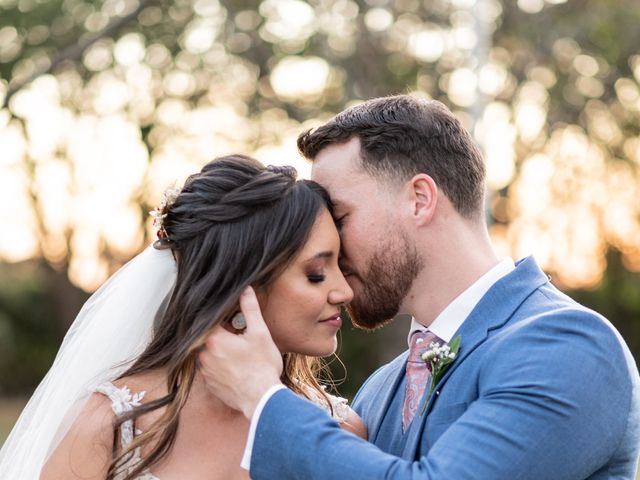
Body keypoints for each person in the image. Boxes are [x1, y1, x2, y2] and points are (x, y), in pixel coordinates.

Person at [198, 96, 640, 479]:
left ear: (419, 199)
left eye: (342, 218)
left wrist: (262, 396)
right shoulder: (380, 389)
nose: (329, 245)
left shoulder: (569, 346)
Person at [0, 155, 365, 480]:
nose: (344, 292)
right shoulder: (111, 428)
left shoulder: (340, 433)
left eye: (340, 268)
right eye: (316, 274)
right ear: (241, 284)